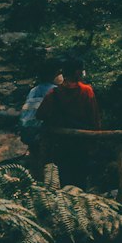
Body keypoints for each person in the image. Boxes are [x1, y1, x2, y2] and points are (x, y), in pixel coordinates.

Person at [37, 54, 101, 187]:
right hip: (81, 144)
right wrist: (95, 142)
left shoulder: (53, 94)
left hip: (61, 144)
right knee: (81, 180)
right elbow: (94, 118)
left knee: (64, 180)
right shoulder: (86, 91)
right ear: (78, 72)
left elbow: (40, 114)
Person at [19, 58, 61, 177]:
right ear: (53, 74)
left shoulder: (33, 90)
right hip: (41, 132)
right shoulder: (54, 90)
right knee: (47, 164)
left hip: (27, 130)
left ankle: (35, 183)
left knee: (35, 162)